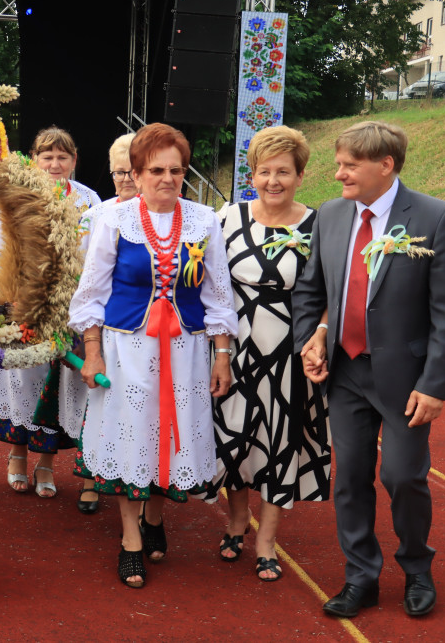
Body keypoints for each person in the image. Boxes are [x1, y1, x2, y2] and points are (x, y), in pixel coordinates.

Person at [293, 121, 445, 618]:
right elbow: (311, 289)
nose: (338, 173)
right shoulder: (329, 215)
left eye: (350, 164)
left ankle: (416, 568)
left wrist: (435, 385)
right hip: (345, 373)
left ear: (385, 165)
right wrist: (311, 339)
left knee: (402, 476)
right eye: (339, 162)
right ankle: (361, 577)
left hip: (405, 379)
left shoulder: (435, 217)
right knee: (348, 477)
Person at [69, 122, 237, 588]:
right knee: (130, 437)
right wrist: (93, 353)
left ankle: (156, 515)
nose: (167, 178)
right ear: (137, 173)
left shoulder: (204, 221)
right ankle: (130, 539)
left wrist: (221, 355)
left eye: (176, 170)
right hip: (126, 348)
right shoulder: (113, 220)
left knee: (170, 434)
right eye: (156, 170)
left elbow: (218, 295)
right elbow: (91, 295)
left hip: (184, 349)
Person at [205, 126, 332, 581]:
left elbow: (328, 295)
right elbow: (211, 283)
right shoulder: (228, 217)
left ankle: (266, 542)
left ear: (300, 174)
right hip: (233, 349)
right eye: (264, 172)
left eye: (284, 171)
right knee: (233, 439)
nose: (273, 180)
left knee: (281, 442)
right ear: (251, 175)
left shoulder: (320, 224)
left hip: (289, 355)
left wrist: (317, 337)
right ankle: (237, 521)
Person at [0, 126, 100, 499]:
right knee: (22, 381)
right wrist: (4, 297)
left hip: (69, 308)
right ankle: (17, 456)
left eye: (62, 156)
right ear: (35, 160)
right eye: (47, 156)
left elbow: (96, 258)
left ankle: (46, 464)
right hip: (22, 305)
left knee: (58, 385)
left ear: (74, 160)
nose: (55, 163)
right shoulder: (11, 197)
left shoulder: (90, 201)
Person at [67, 131, 138, 514]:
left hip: (138, 326)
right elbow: (78, 271)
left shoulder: (162, 216)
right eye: (117, 173)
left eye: (130, 171)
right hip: (99, 325)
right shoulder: (96, 215)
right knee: (96, 399)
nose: (125, 180)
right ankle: (92, 476)